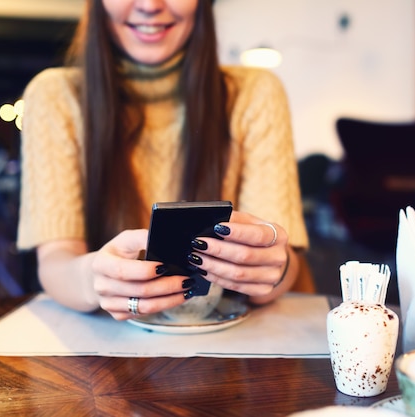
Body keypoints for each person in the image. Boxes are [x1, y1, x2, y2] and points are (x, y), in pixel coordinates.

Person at [17, 0, 314, 321]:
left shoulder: (255, 92)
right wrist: (94, 278)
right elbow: (55, 260)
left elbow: (283, 259)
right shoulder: (54, 96)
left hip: (235, 339)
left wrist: (272, 267)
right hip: (110, 347)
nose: (149, 5)